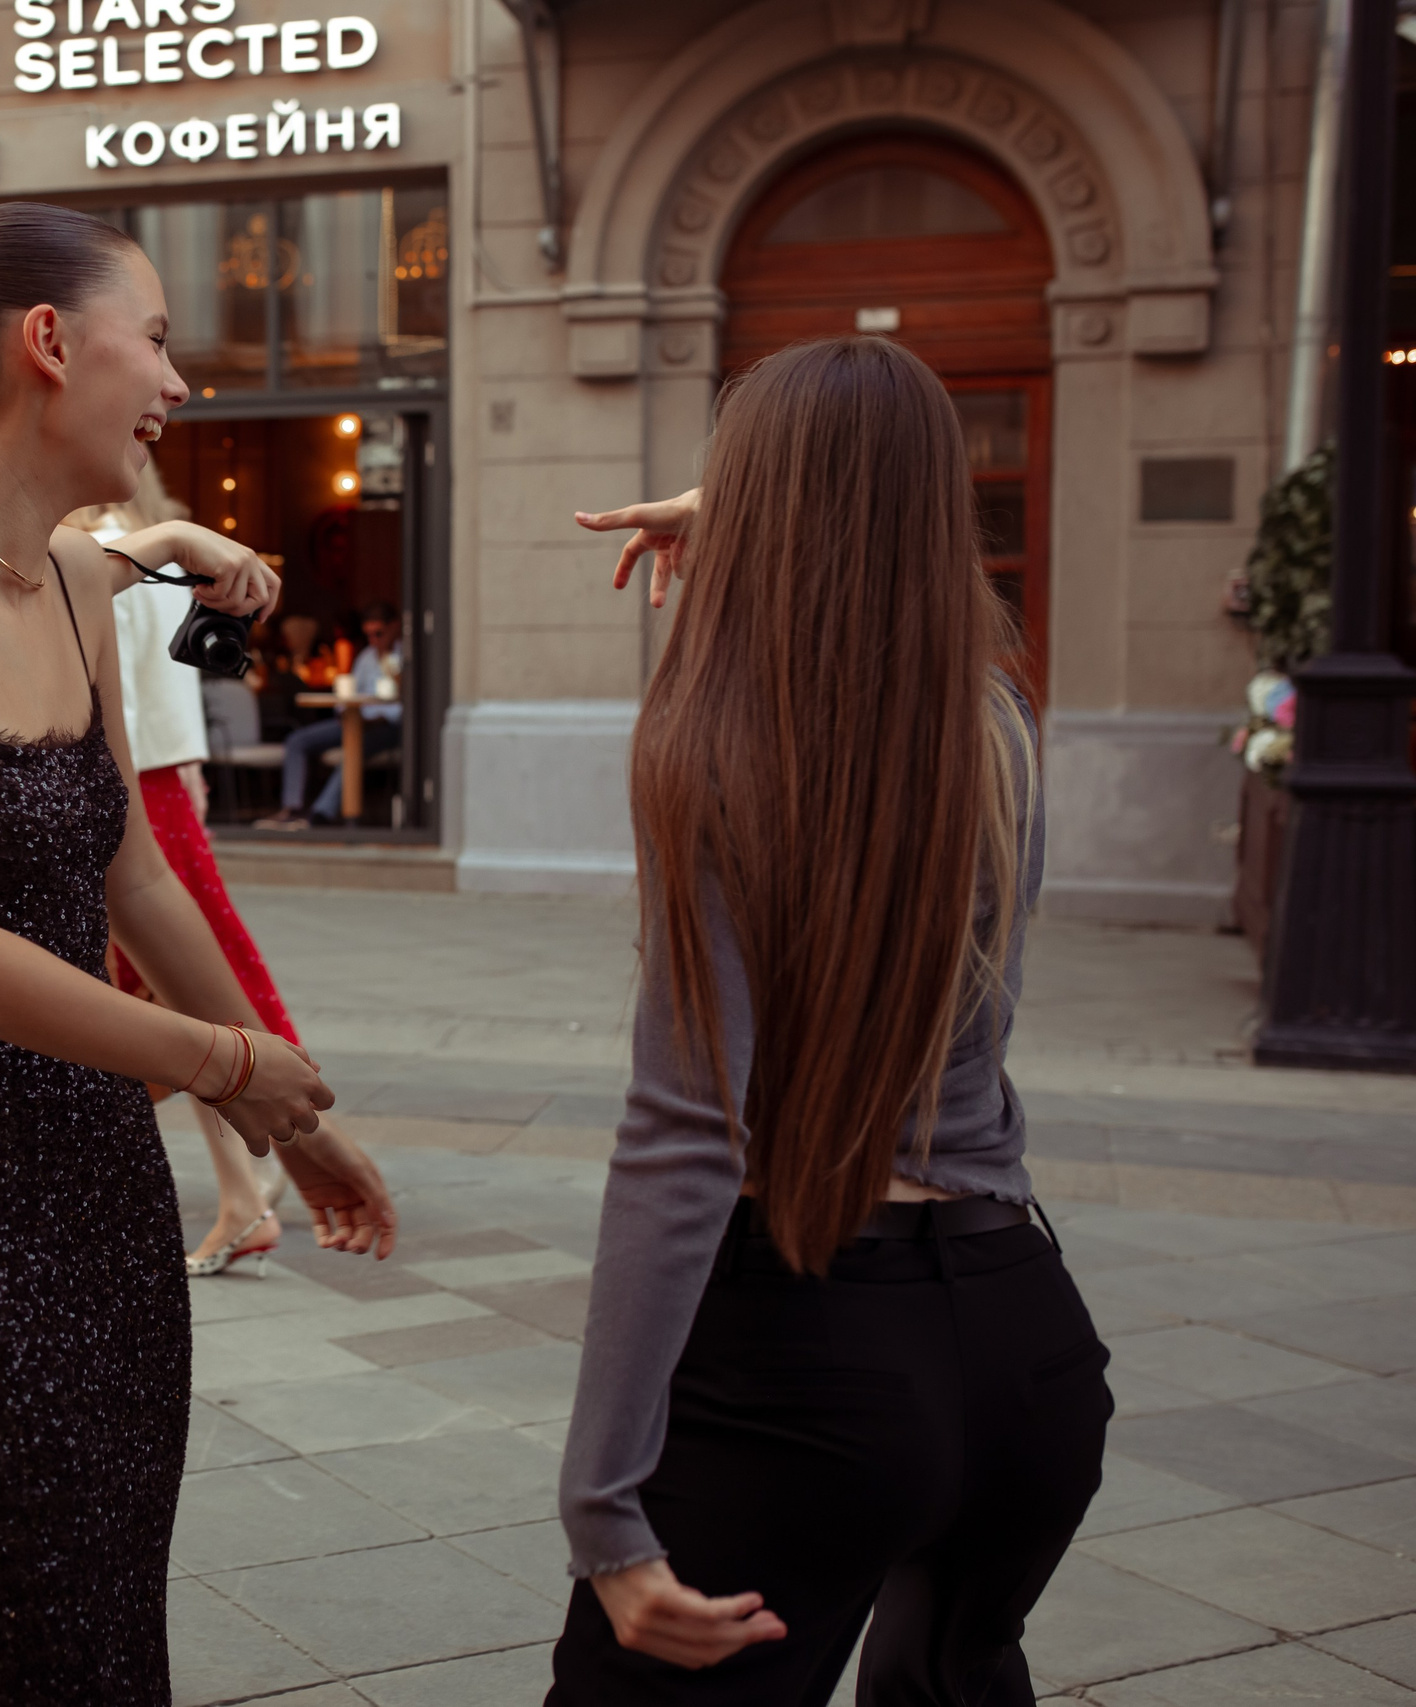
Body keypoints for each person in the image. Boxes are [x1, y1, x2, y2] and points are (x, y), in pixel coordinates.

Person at [0, 201, 400, 1702]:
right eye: (159, 339)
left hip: (105, 1202)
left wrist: (296, 1118)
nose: (179, 382)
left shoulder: (78, 583)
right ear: (50, 344)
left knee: (115, 1634)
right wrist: (226, 1064)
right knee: (14, 1650)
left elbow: (136, 875)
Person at [551, 336, 1107, 1707]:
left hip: (808, 1354)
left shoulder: (719, 738)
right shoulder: (996, 722)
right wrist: (782, 505)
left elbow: (685, 1132)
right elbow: (877, 572)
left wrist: (604, 1503)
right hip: (1026, 1342)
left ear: (754, 504)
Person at [74, 472, 298, 1277]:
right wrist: (190, 767)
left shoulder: (102, 555)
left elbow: (119, 697)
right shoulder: (157, 555)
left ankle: (245, 1184)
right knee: (176, 985)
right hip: (162, 777)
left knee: (167, 987)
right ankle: (244, 1184)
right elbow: (173, 677)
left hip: (127, 781)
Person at [259, 602, 403, 829]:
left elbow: (407, 705)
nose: (374, 640)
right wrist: (345, 713)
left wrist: (378, 719)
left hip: (389, 727)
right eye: (368, 635)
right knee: (297, 740)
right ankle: (292, 809)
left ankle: (320, 815)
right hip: (355, 721)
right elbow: (351, 692)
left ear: (394, 627)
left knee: (353, 749)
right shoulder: (367, 657)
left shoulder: (406, 657)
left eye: (378, 634)